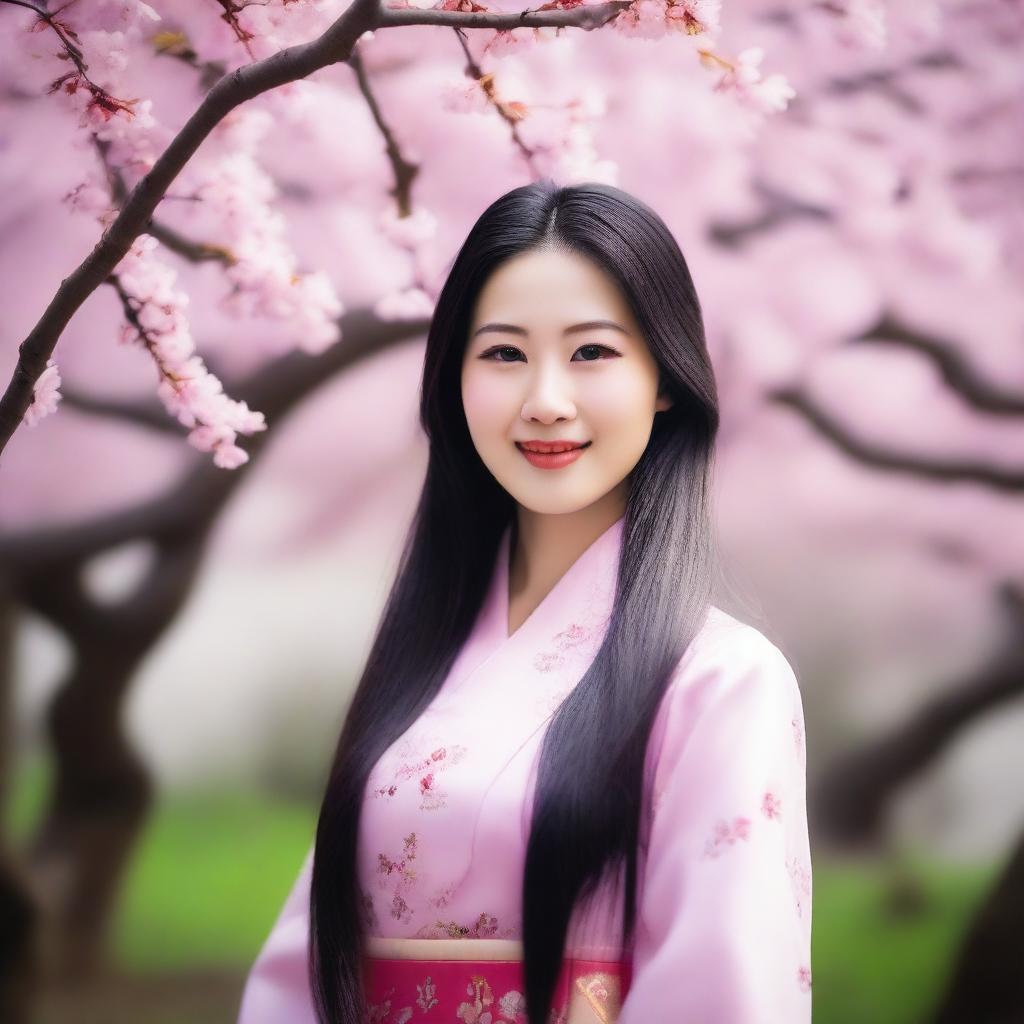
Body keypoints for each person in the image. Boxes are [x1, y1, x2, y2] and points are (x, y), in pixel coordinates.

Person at [237, 180, 812, 1024]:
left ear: (665, 380)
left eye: (592, 354)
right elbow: (306, 977)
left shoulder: (723, 681)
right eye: (504, 354)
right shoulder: (426, 657)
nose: (545, 398)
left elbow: (723, 991)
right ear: (454, 380)